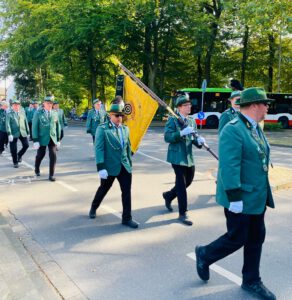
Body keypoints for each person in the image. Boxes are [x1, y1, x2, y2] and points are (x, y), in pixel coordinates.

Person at [195, 87, 276, 300]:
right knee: (237, 237)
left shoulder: (255, 127)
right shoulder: (233, 129)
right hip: (240, 196)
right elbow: (229, 166)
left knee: (257, 236)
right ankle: (204, 254)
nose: (268, 107)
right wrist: (234, 197)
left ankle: (252, 280)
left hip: (257, 195)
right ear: (254, 105)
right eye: (265, 103)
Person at [88, 102, 138, 229]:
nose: (119, 118)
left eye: (121, 115)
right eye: (116, 115)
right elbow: (98, 148)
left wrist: (129, 164)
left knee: (126, 192)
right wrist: (100, 166)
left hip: (124, 166)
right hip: (109, 166)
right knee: (104, 188)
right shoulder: (103, 128)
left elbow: (127, 147)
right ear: (110, 115)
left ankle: (127, 218)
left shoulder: (125, 129)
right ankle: (94, 206)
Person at [163, 94, 206, 226]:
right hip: (176, 156)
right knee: (181, 185)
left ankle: (169, 195)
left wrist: (199, 141)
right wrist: (181, 133)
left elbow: (193, 139)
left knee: (188, 181)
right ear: (179, 108)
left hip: (188, 156)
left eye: (189, 105)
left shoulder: (192, 121)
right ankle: (183, 213)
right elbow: (167, 137)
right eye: (186, 105)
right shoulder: (173, 120)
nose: (189, 107)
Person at [32, 95, 61, 181]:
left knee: (53, 155)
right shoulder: (38, 113)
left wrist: (58, 139)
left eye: (51, 103)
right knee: (41, 155)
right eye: (47, 103)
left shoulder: (55, 113)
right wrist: (35, 140)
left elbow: (58, 126)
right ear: (44, 103)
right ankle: (37, 168)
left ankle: (51, 175)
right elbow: (34, 127)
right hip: (42, 138)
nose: (49, 105)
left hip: (52, 137)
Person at [5, 99, 30, 168]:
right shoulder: (9, 114)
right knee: (13, 149)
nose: (16, 106)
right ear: (12, 106)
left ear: (19, 105)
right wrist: (9, 133)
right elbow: (7, 124)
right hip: (13, 133)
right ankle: (15, 162)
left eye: (18, 105)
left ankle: (19, 155)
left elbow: (26, 122)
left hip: (22, 131)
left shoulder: (22, 112)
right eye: (15, 105)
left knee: (26, 145)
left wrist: (28, 132)